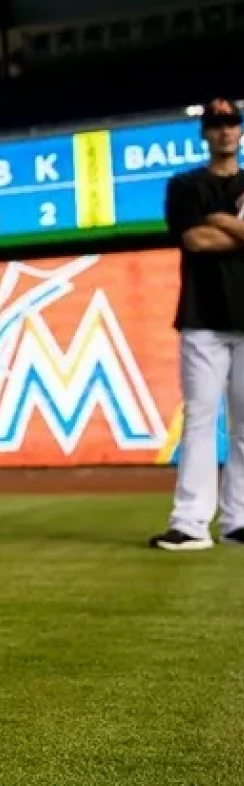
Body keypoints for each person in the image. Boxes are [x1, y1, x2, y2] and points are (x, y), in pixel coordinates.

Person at [150, 98, 244, 551]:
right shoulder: (185, 184)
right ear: (205, 133)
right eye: (217, 124)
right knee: (201, 421)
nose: (225, 131)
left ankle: (237, 521)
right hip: (202, 317)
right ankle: (190, 523)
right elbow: (194, 239)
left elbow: (210, 234)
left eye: (232, 123)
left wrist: (221, 220)